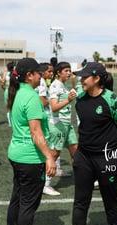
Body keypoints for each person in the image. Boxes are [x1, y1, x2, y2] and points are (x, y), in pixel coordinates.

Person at [64, 62, 117, 225]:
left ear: (97, 79)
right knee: (80, 200)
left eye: (85, 77)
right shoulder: (80, 98)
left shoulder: (113, 101)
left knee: (110, 198)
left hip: (107, 158)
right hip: (83, 156)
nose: (81, 80)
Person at [2, 58, 56, 225]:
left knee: (17, 197)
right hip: (30, 158)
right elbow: (36, 132)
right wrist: (49, 156)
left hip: (17, 154)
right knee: (28, 204)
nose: (41, 75)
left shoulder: (17, 93)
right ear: (29, 75)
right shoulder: (31, 96)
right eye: (38, 72)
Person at [44, 61, 78, 196]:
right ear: (59, 73)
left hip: (67, 125)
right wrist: (68, 100)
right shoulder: (55, 86)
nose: (69, 73)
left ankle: (83, 180)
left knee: (76, 151)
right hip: (57, 125)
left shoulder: (63, 86)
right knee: (54, 154)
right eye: (66, 71)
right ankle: (45, 185)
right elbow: (53, 107)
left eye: (69, 71)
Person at [3, 62, 15, 127]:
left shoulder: (5, 73)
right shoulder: (15, 73)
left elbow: (2, 83)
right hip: (14, 90)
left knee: (8, 107)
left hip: (7, 90)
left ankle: (10, 123)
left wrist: (4, 88)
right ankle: (14, 121)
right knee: (14, 106)